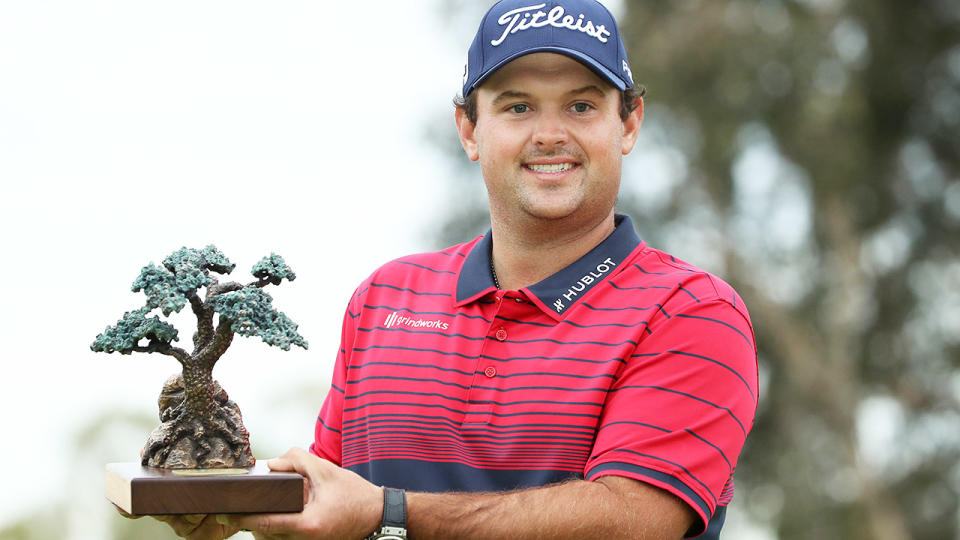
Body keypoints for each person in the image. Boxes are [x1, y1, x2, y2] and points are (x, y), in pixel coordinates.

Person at [152, 1, 758, 538]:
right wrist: (239, 509)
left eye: (580, 105)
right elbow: (335, 507)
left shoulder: (691, 312)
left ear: (627, 124)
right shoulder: (384, 298)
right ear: (469, 129)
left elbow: (633, 521)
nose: (550, 134)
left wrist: (389, 514)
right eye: (517, 107)